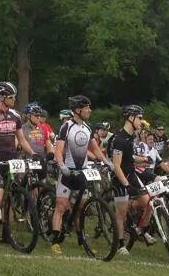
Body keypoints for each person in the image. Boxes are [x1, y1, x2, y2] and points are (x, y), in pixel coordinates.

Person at [0, 82, 37, 250]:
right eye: (11, 97)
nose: (14, 100)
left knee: (10, 197)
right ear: (2, 98)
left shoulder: (15, 116)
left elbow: (22, 139)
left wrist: (33, 153)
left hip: (12, 161)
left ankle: (6, 233)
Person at [48, 95, 107, 255]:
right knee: (61, 206)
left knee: (81, 207)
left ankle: (81, 239)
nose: (90, 110)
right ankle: (55, 240)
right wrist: (62, 166)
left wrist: (107, 162)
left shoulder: (87, 128)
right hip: (67, 173)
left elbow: (95, 149)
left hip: (81, 173)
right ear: (78, 110)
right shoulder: (66, 127)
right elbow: (58, 151)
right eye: (87, 107)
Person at [111, 104, 157, 252]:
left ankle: (139, 231)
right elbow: (117, 165)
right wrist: (126, 184)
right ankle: (120, 244)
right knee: (122, 214)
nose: (141, 121)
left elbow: (129, 158)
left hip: (132, 174)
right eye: (139, 118)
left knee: (149, 205)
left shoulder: (130, 137)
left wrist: (143, 160)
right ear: (131, 118)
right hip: (120, 178)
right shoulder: (119, 138)